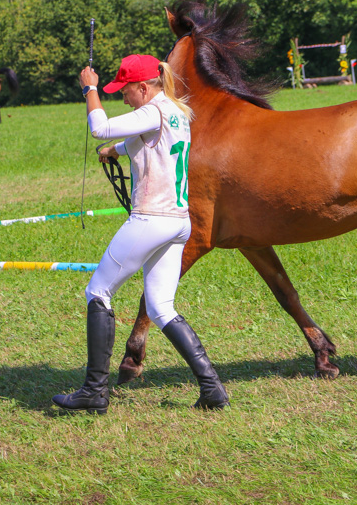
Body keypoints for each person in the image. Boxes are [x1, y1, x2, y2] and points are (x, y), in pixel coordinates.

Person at [52, 54, 230, 414]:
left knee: (98, 292)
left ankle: (94, 392)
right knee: (161, 307)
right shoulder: (177, 111)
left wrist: (89, 89)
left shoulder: (152, 111)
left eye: (125, 91)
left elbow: (100, 126)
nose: (123, 98)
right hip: (179, 222)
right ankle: (213, 390)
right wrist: (115, 151)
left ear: (143, 87)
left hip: (151, 218)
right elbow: (147, 141)